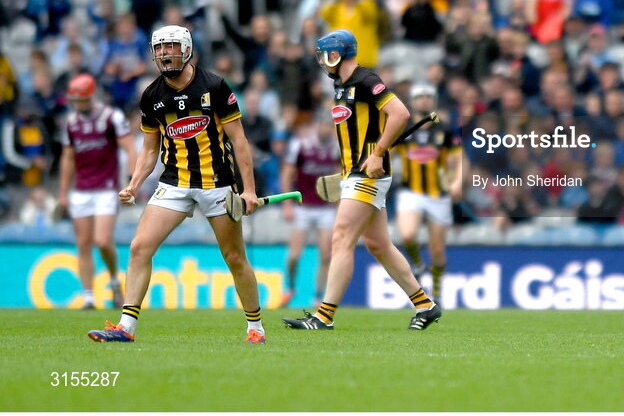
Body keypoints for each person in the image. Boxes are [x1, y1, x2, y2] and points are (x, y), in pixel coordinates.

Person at [87, 26, 266, 344]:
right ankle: (125, 328)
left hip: (217, 183)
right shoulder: (152, 96)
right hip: (175, 183)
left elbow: (239, 141)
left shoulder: (214, 86)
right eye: (159, 49)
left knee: (235, 257)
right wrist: (134, 183)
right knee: (139, 247)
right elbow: (149, 149)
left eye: (171, 47)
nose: (165, 54)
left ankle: (255, 327)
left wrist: (248, 189)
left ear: (186, 50)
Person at [283, 30, 441, 331]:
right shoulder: (340, 87)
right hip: (354, 173)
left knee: (341, 236)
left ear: (336, 54)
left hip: (369, 174)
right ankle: (425, 305)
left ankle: (323, 316)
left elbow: (400, 113)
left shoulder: (366, 80)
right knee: (378, 244)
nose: (321, 61)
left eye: (323, 54)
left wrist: (378, 153)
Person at [58, 74, 136, 309]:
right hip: (81, 190)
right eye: (75, 101)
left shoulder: (112, 117)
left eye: (82, 100)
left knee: (102, 241)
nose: (78, 105)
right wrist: (63, 193)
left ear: (91, 96)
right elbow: (68, 158)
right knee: (82, 243)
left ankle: (113, 280)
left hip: (106, 188)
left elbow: (129, 148)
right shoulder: (71, 123)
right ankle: (88, 297)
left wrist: (132, 181)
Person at [393, 83, 463, 304]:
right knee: (407, 235)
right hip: (410, 191)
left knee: (438, 250)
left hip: (438, 194)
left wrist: (457, 182)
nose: (423, 100)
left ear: (433, 101)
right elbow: (385, 151)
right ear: (412, 102)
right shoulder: (403, 130)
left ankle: (438, 292)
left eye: (427, 97)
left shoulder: (445, 131)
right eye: (419, 97)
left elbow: (458, 159)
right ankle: (417, 264)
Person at [279, 113, 340, 308]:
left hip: (326, 208)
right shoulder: (301, 145)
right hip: (302, 205)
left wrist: (339, 207)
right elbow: (287, 173)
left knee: (326, 255)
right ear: (317, 126)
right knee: (294, 255)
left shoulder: (337, 148)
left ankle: (318, 296)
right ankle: (290, 287)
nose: (326, 129)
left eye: (329, 126)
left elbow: (340, 179)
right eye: (323, 125)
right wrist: (287, 203)